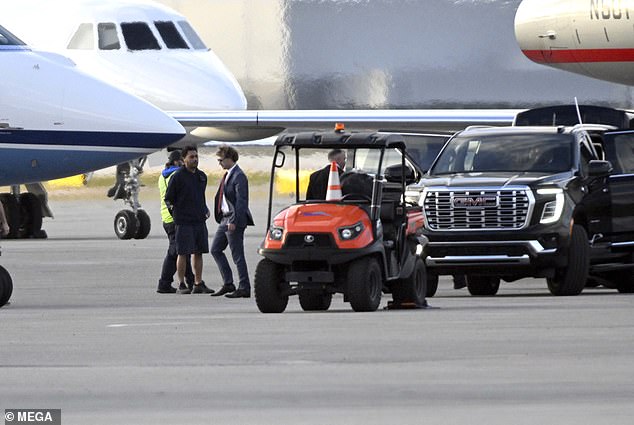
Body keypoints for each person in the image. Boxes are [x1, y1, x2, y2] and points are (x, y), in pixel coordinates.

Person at [164, 145, 214, 294]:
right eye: (191, 157)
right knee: (183, 253)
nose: (195, 159)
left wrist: (204, 210)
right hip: (183, 222)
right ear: (183, 159)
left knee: (198, 252)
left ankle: (198, 283)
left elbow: (200, 197)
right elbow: (168, 199)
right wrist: (176, 215)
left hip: (199, 221)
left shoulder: (202, 176)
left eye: (196, 156)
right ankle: (182, 284)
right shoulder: (178, 177)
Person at [210, 145, 254, 298]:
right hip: (225, 218)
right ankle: (228, 283)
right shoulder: (228, 174)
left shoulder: (239, 175)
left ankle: (244, 286)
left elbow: (242, 202)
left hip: (233, 219)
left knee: (238, 255)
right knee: (215, 249)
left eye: (221, 160)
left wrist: (234, 221)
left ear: (230, 159)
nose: (219, 163)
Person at [156, 150, 195, 294]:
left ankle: (191, 280)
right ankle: (164, 283)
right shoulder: (177, 175)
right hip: (177, 218)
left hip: (166, 218)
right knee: (175, 252)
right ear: (179, 161)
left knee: (183, 251)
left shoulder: (163, 176)